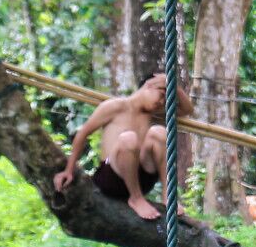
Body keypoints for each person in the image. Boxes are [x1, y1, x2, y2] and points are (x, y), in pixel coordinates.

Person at [53, 72, 172, 221]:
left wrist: (169, 82)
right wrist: (68, 170)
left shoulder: (154, 112)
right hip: (112, 178)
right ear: (148, 85)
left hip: (143, 179)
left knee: (159, 132)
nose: (162, 102)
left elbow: (188, 109)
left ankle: (169, 197)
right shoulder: (114, 106)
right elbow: (82, 134)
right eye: (161, 95)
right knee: (128, 138)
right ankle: (136, 198)